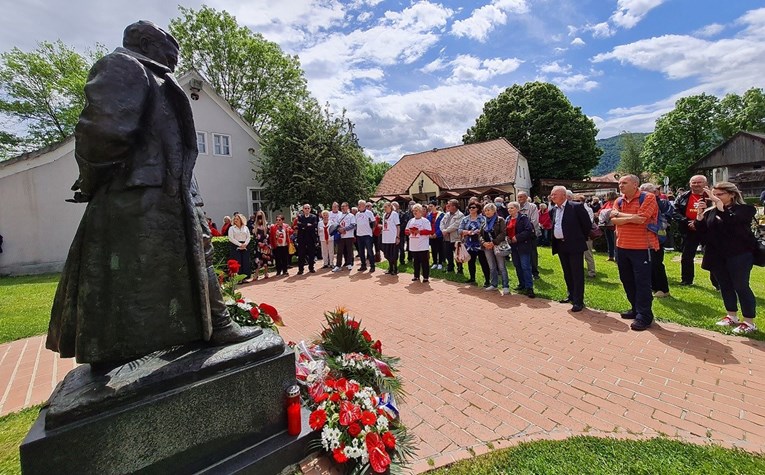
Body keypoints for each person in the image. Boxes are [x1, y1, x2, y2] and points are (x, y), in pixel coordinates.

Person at [47, 21, 259, 367]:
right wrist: (91, 179)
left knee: (197, 254)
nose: (174, 63)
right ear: (145, 42)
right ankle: (105, 354)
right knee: (118, 271)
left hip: (169, 192)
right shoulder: (124, 66)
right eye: (168, 54)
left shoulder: (153, 74)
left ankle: (216, 324)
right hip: (136, 193)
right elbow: (102, 131)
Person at [696, 182, 758, 334]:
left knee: (741, 286)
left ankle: (749, 322)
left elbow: (732, 224)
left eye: (720, 194)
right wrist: (699, 215)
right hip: (717, 255)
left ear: (732, 195)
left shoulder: (745, 210)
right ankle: (732, 315)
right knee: (725, 285)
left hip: (739, 254)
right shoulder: (711, 211)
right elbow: (703, 232)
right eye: (714, 194)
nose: (715, 197)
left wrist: (720, 207)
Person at [611, 175, 659, 331]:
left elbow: (642, 219)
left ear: (635, 184)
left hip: (642, 247)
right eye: (619, 183)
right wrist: (630, 217)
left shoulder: (648, 197)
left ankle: (644, 316)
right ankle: (635, 308)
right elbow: (613, 219)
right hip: (622, 246)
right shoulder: (619, 200)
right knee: (627, 279)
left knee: (642, 283)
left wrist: (620, 216)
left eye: (624, 183)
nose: (621, 185)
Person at [549, 186, 591, 312]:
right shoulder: (554, 210)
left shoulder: (576, 207)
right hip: (561, 245)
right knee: (567, 272)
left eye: (554, 194)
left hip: (574, 245)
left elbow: (587, 225)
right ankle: (571, 295)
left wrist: (577, 238)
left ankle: (578, 301)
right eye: (552, 195)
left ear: (563, 195)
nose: (552, 197)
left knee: (577, 273)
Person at [673, 175, 711, 286]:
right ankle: (686, 280)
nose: (696, 184)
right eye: (693, 182)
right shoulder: (683, 196)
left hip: (707, 229)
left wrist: (699, 223)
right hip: (689, 229)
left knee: (711, 254)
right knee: (687, 256)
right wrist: (687, 222)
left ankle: (717, 282)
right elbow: (675, 211)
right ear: (690, 184)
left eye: (699, 182)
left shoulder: (711, 196)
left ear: (705, 183)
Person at [640, 183, 671, 298]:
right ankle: (654, 287)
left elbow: (668, 216)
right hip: (646, 237)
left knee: (656, 263)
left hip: (657, 236)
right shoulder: (645, 201)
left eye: (645, 192)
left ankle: (663, 289)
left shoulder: (661, 202)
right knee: (649, 262)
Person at [507, 201, 535, 298]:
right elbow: (507, 231)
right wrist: (508, 237)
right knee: (517, 265)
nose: (509, 210)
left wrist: (517, 237)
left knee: (525, 266)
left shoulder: (523, 218)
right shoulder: (508, 219)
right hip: (513, 247)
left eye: (512, 208)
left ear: (517, 209)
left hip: (523, 246)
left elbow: (528, 230)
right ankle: (521, 284)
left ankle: (529, 287)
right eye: (508, 208)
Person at [480, 203, 510, 295]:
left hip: (497, 245)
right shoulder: (483, 221)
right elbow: (480, 235)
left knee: (501, 267)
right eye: (485, 210)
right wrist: (484, 243)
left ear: (494, 211)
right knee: (492, 266)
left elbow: (503, 233)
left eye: (489, 210)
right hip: (487, 247)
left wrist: (494, 242)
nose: (487, 212)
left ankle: (505, 286)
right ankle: (494, 284)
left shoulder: (500, 220)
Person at [458, 202, 489, 285]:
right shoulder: (465, 219)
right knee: (471, 262)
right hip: (469, 244)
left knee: (483, 262)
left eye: (473, 207)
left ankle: (487, 280)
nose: (471, 209)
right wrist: (468, 232)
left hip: (480, 243)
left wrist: (479, 231)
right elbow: (459, 230)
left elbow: (486, 229)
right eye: (470, 207)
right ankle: (472, 278)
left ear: (477, 209)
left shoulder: (482, 218)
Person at [404, 203, 432, 282]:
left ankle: (425, 277)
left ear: (420, 211)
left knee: (424, 262)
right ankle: (416, 275)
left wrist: (419, 231)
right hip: (413, 245)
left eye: (416, 211)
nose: (415, 212)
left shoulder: (425, 221)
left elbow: (429, 231)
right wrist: (409, 231)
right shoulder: (411, 220)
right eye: (413, 211)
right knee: (415, 261)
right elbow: (406, 231)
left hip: (422, 245)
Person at [572, 193, 596, 278]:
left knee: (588, 255)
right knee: (578, 255)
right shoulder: (575, 209)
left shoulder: (588, 209)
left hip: (586, 236)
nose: (575, 202)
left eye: (577, 201)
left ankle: (592, 272)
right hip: (577, 236)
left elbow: (588, 223)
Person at [517, 192, 540, 280]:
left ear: (526, 197)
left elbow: (534, 221)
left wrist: (526, 230)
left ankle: (535, 272)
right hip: (520, 235)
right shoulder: (517, 206)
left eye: (521, 197)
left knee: (532, 253)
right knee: (522, 254)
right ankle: (525, 273)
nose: (519, 199)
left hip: (531, 234)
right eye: (518, 197)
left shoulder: (532, 207)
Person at [440, 199, 465, 274]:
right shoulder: (447, 214)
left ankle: (460, 269)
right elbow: (442, 223)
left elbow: (456, 225)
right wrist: (443, 230)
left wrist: (446, 230)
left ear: (454, 206)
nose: (447, 206)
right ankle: (450, 268)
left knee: (457, 254)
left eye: (449, 205)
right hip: (446, 238)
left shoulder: (460, 215)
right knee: (448, 254)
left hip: (455, 238)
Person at [228, 213, 253, 283]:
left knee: (245, 261)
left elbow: (248, 236)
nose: (235, 220)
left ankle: (244, 277)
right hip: (235, 245)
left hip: (245, 245)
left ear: (241, 220)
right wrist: (239, 244)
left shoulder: (245, 227)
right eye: (235, 219)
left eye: (237, 219)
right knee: (237, 262)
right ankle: (238, 279)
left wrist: (245, 244)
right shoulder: (231, 228)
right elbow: (231, 238)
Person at [333, 202, 357, 272]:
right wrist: (339, 229)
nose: (343, 208)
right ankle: (338, 265)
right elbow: (336, 225)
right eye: (342, 206)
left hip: (349, 236)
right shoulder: (339, 215)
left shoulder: (351, 215)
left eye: (344, 206)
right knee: (339, 251)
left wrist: (344, 229)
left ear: (347, 207)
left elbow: (353, 225)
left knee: (349, 251)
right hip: (341, 236)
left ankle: (349, 264)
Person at [295, 203, 318, 275]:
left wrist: (304, 226)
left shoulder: (313, 216)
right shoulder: (300, 217)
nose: (307, 210)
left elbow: (314, 225)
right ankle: (300, 269)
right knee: (301, 254)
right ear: (303, 209)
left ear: (310, 209)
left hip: (311, 238)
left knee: (311, 254)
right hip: (302, 238)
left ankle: (311, 268)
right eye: (305, 208)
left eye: (308, 208)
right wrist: (307, 225)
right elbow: (299, 224)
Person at [355, 200, 376, 272]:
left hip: (367, 235)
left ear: (364, 206)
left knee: (370, 251)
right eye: (358, 205)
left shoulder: (369, 213)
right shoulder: (357, 214)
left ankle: (372, 266)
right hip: (359, 235)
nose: (359, 206)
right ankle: (363, 265)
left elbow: (374, 223)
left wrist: (371, 232)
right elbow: (356, 224)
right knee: (361, 252)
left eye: (360, 205)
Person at [380, 202, 401, 275]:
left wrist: (397, 237)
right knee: (387, 254)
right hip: (386, 238)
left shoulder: (394, 214)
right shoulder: (384, 215)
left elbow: (398, 226)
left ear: (390, 207)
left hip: (392, 237)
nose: (384, 208)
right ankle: (390, 267)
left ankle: (395, 268)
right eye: (384, 207)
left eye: (386, 207)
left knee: (393, 254)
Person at [598, 191, 618, 261]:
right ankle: (611, 256)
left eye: (606, 196)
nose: (605, 197)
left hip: (615, 226)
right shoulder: (607, 203)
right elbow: (600, 210)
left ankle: (616, 256)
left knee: (615, 241)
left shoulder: (617, 202)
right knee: (609, 241)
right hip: (607, 225)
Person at [252, 210, 271, 280]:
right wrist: (258, 242)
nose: (260, 218)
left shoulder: (267, 225)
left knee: (265, 258)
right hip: (258, 246)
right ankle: (256, 274)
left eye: (261, 216)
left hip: (265, 245)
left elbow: (268, 235)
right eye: (258, 216)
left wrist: (265, 243)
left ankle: (266, 273)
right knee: (257, 259)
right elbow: (254, 236)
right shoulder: (254, 226)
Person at [426, 201, 445, 270]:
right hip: (431, 235)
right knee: (433, 249)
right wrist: (430, 234)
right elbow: (428, 225)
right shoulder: (429, 215)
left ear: (435, 206)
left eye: (432, 206)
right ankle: (434, 263)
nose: (430, 208)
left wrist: (436, 234)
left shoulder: (441, 215)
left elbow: (442, 226)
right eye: (429, 206)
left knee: (440, 249)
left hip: (439, 235)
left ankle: (440, 263)